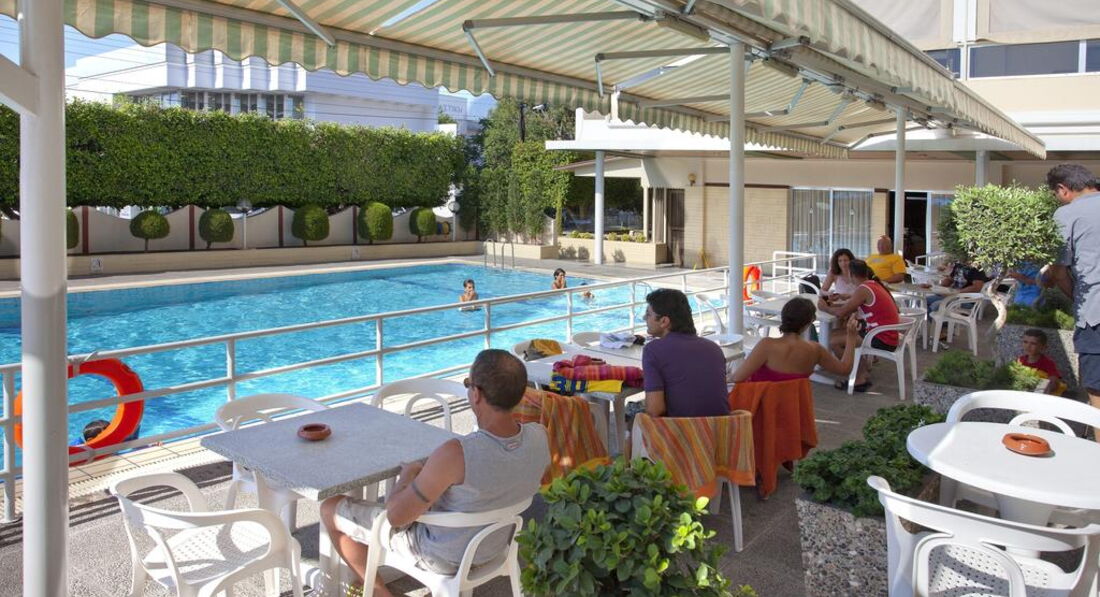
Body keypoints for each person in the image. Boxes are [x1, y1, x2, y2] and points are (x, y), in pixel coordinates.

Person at [321, 349, 550, 596]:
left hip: (440, 555)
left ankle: (378, 592)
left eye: (468, 384)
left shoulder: (457, 454)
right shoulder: (540, 437)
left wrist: (408, 475)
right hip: (493, 546)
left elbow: (396, 517)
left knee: (329, 507)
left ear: (476, 394)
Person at [1044, 163, 1100, 438]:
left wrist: (1076, 297)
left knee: (1097, 393)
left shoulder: (1068, 214)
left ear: (1062, 189)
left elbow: (1059, 272)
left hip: (1095, 313)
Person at [640, 288, 729, 417]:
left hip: (683, 427)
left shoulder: (653, 350)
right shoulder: (714, 348)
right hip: (721, 426)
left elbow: (655, 409)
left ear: (664, 321)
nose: (644, 318)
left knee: (633, 415)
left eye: (648, 314)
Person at [731, 297, 862, 383]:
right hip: (794, 410)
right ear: (810, 322)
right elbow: (845, 369)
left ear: (783, 317)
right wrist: (850, 337)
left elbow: (737, 378)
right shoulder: (815, 350)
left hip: (763, 407)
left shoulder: (767, 345)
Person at [818, 260, 901, 392]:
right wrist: (834, 304)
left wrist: (825, 307)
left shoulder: (863, 289)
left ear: (851, 274)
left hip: (880, 338)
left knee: (833, 341)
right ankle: (861, 370)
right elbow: (850, 306)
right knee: (834, 334)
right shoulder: (872, 284)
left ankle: (858, 376)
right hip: (887, 335)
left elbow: (841, 313)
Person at [924, 260, 991, 315]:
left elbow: (977, 287)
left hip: (966, 300)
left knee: (935, 306)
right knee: (922, 301)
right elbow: (950, 279)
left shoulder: (977, 268)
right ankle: (933, 324)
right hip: (951, 296)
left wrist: (957, 292)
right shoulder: (958, 265)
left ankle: (943, 325)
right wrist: (936, 287)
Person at [1017, 328, 1066, 395]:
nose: (1028, 346)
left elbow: (1053, 382)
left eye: (1033, 343)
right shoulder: (1020, 360)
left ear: (1043, 347)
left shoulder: (1047, 363)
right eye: (1025, 342)